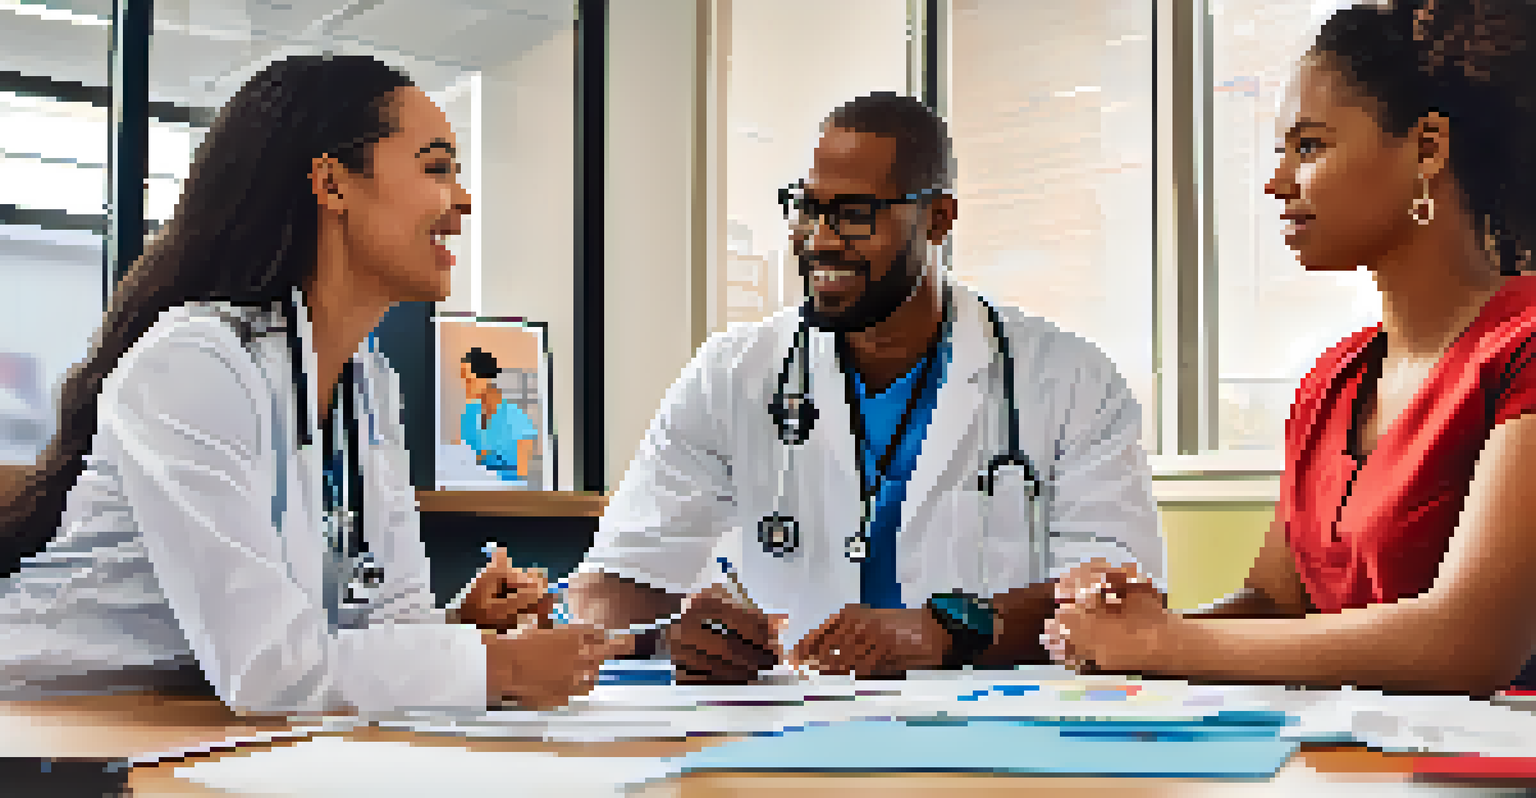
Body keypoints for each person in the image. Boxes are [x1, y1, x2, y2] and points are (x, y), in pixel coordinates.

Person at [0, 55, 625, 715]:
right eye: (436, 167)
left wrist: (456, 633)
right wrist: (489, 666)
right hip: (50, 727)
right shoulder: (195, 364)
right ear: (331, 184)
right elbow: (270, 667)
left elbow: (382, 626)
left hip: (197, 724)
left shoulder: (367, 385)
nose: (463, 200)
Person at [564, 92, 1165, 683]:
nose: (820, 240)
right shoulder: (730, 375)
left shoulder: (1069, 380)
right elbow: (608, 583)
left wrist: (949, 630)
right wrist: (667, 633)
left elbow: (1123, 597)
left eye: (854, 214)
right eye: (807, 208)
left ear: (938, 219)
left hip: (995, 737)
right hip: (788, 736)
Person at [1046, 0, 1536, 697]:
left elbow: (1467, 642)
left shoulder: (1524, 345)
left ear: (1427, 148)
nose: (1277, 182)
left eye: (1309, 147)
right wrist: (1136, 630)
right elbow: (1276, 606)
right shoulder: (1331, 380)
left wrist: (1169, 643)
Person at [458, 347, 538, 482]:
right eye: (463, 380)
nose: (465, 386)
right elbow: (462, 455)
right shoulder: (469, 414)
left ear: (485, 378)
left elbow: (522, 473)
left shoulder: (517, 418)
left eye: (469, 380)